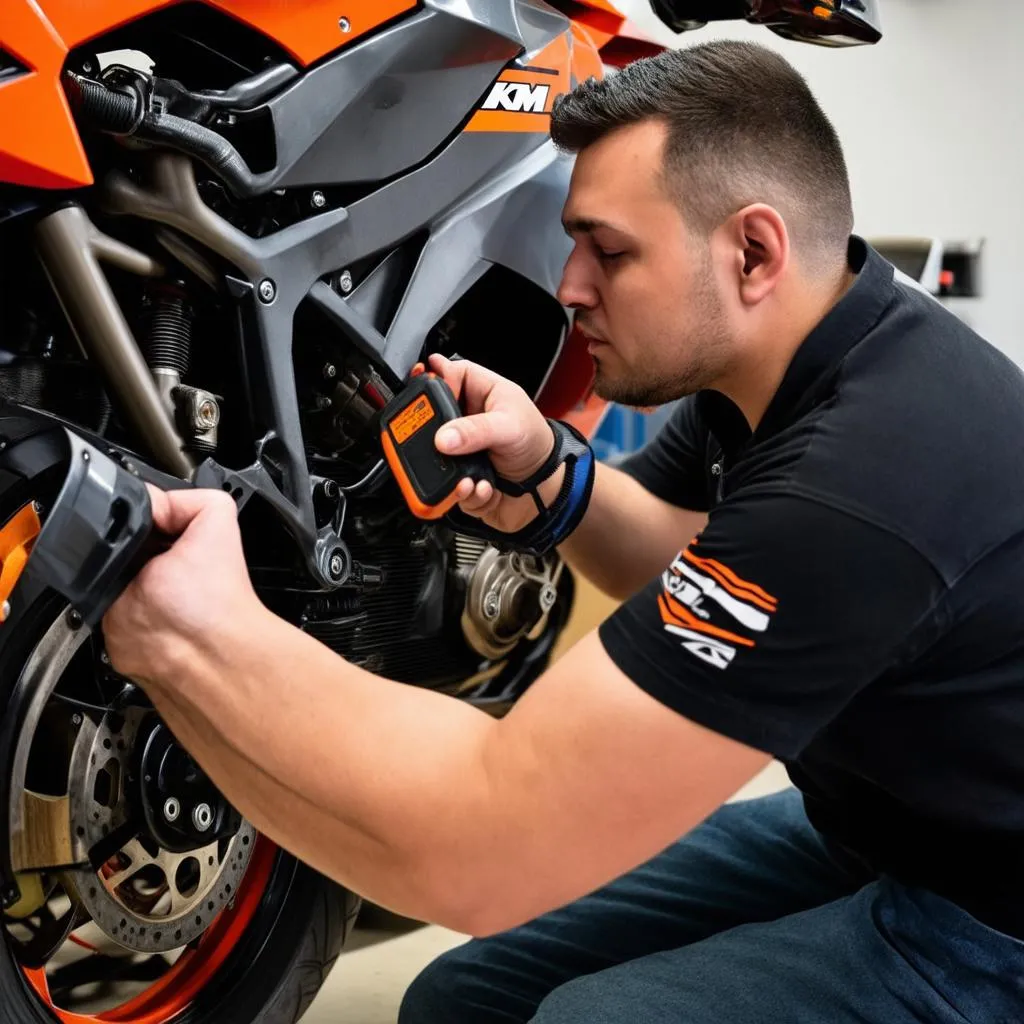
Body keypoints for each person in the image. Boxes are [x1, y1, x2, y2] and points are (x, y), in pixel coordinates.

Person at [104, 40, 1024, 1024]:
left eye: (609, 250)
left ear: (752, 252)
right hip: (873, 824)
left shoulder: (863, 478)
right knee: (465, 997)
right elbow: (682, 542)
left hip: (990, 916)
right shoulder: (783, 360)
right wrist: (553, 482)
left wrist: (196, 635)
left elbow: (480, 846)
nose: (571, 284)